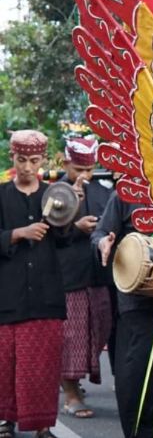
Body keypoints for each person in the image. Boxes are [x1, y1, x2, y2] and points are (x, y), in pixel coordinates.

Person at [0, 130, 71, 438]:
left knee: (43, 366)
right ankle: (4, 421)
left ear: (43, 160)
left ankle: (43, 426)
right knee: (4, 365)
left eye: (33, 160)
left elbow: (64, 239)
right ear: (12, 158)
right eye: (21, 160)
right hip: (8, 297)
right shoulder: (1, 195)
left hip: (45, 296)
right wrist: (18, 234)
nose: (27, 167)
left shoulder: (53, 194)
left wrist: (71, 215)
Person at [91, 193, 153, 438]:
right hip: (138, 299)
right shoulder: (126, 194)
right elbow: (100, 233)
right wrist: (103, 243)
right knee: (139, 370)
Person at [57, 137, 112, 418]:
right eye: (78, 169)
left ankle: (73, 382)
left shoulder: (103, 191)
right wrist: (74, 225)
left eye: (89, 169)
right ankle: (70, 393)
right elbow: (45, 233)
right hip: (67, 277)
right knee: (71, 337)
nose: (85, 175)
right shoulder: (53, 193)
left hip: (99, 275)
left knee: (98, 331)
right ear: (64, 163)